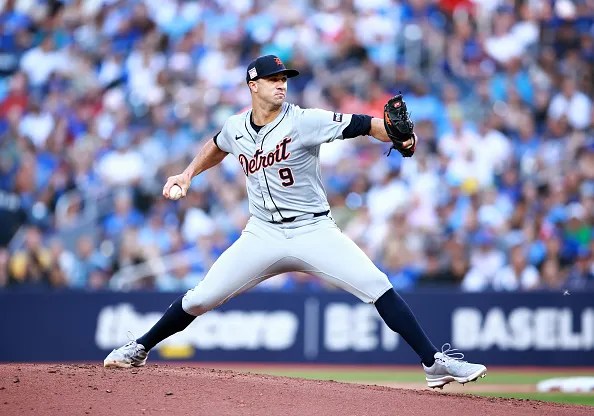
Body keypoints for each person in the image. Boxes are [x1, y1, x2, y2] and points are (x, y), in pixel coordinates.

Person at [104, 55, 487, 389]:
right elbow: (218, 144)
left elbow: (368, 124)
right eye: (273, 79)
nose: (281, 85)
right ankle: (139, 347)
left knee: (377, 285)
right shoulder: (237, 126)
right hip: (263, 233)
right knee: (202, 297)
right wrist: (187, 175)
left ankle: (434, 364)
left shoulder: (305, 121)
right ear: (253, 85)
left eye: (285, 79)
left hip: (313, 229)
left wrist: (401, 139)